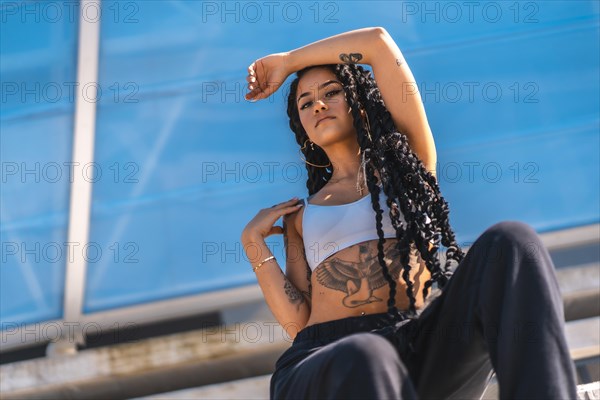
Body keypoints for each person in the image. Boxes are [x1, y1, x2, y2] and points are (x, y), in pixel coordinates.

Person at [240, 27, 577, 399]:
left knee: (514, 242)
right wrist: (253, 243)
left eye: (331, 93)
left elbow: (377, 44)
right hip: (324, 357)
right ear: (302, 127)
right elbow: (299, 322)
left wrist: (289, 63)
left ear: (360, 102)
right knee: (366, 353)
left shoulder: (409, 170)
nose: (318, 105)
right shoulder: (300, 218)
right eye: (306, 103)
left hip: (415, 345)